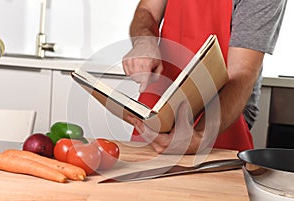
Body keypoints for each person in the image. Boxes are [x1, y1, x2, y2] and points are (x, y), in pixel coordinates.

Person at [122, 0, 287, 154]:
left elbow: (242, 74)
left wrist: (200, 136)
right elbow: (147, 11)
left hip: (223, 111)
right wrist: (144, 41)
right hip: (160, 101)